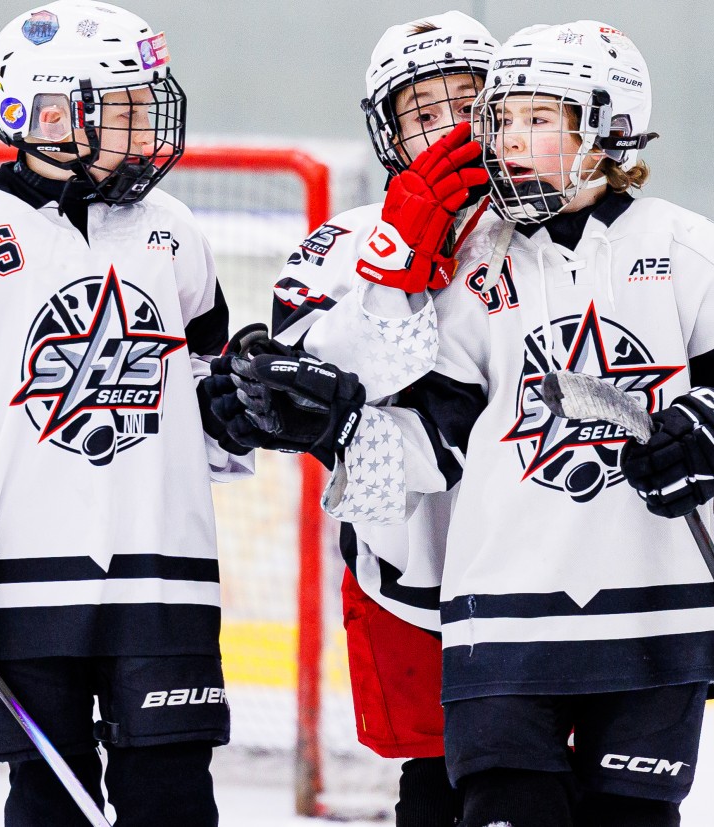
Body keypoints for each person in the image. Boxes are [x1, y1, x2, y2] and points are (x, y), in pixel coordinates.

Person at [223, 19, 714, 827]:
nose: (475, 135)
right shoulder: (413, 252)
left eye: (488, 109)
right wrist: (333, 415)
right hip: (461, 597)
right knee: (462, 795)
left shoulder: (684, 247)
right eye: (497, 119)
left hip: (651, 601)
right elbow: (420, 419)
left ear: (606, 127)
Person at [0, 3, 251, 825]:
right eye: (122, 107)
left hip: (163, 572)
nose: (145, 127)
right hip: (17, 579)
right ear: (49, 115)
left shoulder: (173, 231)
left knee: (173, 796)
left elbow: (205, 387)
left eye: (144, 103)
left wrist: (244, 407)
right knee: (48, 801)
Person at [235, 12, 497, 826]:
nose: (449, 127)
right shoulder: (341, 243)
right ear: (389, 130)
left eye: (469, 103)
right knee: (436, 777)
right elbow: (304, 395)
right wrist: (395, 264)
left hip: (545, 556)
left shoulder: (543, 231)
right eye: (423, 112)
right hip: (408, 568)